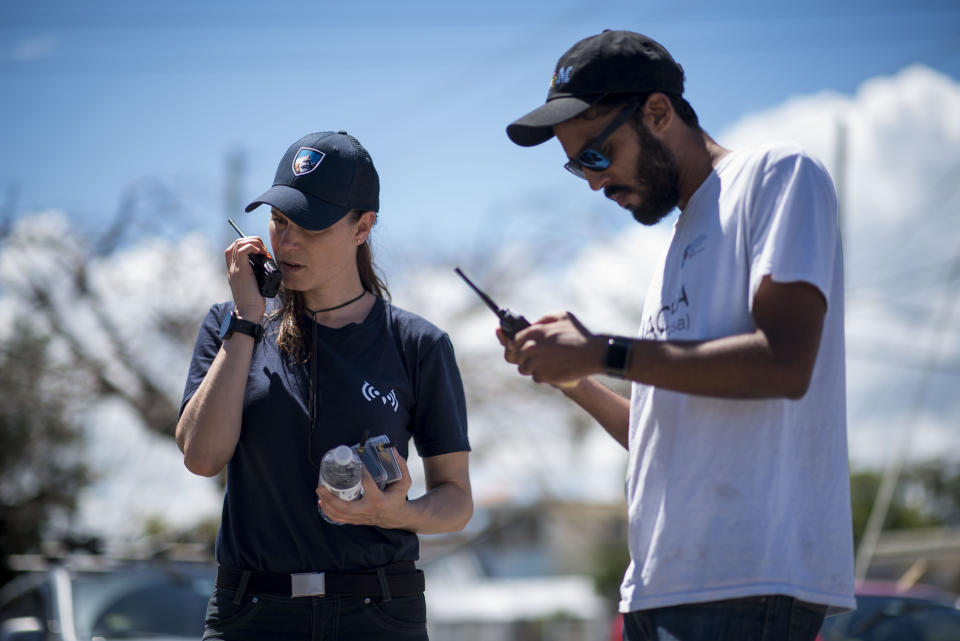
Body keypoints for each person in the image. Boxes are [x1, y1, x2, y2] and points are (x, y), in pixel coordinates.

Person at [500, 30, 855, 641]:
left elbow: (786, 362)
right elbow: (659, 434)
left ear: (658, 112)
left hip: (747, 584)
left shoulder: (775, 174)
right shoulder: (679, 241)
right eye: (575, 165)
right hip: (662, 587)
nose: (591, 181)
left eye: (596, 154)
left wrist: (604, 349)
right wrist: (576, 380)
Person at [176, 130, 472, 641]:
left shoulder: (417, 343)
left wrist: (400, 512)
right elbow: (202, 458)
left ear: (363, 226)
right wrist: (247, 321)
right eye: (279, 220)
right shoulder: (232, 325)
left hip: (378, 612)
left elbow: (457, 499)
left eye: (310, 226)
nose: (287, 242)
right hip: (252, 613)